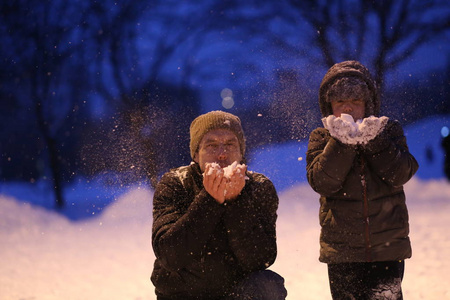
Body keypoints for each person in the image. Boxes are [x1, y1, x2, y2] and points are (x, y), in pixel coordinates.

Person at [306, 60, 419, 299]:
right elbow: (323, 182)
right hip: (342, 251)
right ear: (328, 106)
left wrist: (374, 140)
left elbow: (401, 173)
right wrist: (341, 143)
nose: (347, 110)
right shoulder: (321, 137)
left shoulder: (388, 130)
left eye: (355, 102)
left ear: (368, 104)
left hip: (388, 248)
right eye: (339, 103)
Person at [151, 110, 287, 300]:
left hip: (236, 293)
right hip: (183, 294)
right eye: (211, 145)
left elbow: (260, 260)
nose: (222, 154)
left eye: (230, 144)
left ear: (241, 153)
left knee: (267, 284)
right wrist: (210, 200)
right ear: (196, 155)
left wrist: (234, 203)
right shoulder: (175, 183)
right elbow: (170, 256)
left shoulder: (259, 187)